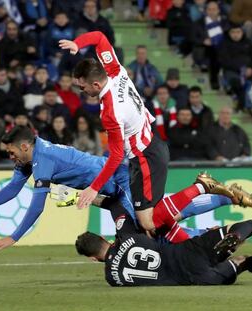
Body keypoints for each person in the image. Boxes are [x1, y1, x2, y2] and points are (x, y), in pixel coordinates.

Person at [0, 126, 252, 249]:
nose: (9, 156)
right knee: (155, 219)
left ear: (24, 145)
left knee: (153, 226)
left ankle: (205, 229)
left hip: (118, 178)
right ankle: (223, 199)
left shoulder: (43, 159)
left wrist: (14, 237)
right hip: (108, 185)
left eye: (11, 151)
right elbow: (13, 189)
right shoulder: (30, 158)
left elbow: (37, 205)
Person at [59, 31, 169, 233]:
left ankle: (201, 191)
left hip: (145, 158)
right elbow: (100, 37)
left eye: (83, 87)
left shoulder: (110, 112)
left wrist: (93, 188)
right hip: (151, 145)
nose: (82, 92)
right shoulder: (114, 70)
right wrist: (77, 43)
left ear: (95, 84)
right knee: (152, 219)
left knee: (147, 222)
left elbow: (117, 155)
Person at [75, 219, 252, 286]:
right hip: (189, 250)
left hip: (195, 277)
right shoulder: (131, 237)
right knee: (249, 225)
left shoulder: (111, 278)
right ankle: (235, 238)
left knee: (243, 262)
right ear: (103, 238)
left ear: (93, 258)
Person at [218, 23, 252, 110]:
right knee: (236, 82)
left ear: (242, 32)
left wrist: (251, 67)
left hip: (248, 70)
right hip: (231, 70)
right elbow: (224, 61)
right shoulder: (224, 44)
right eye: (233, 32)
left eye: (238, 32)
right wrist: (241, 69)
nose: (236, 35)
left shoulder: (248, 43)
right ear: (229, 33)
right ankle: (242, 104)